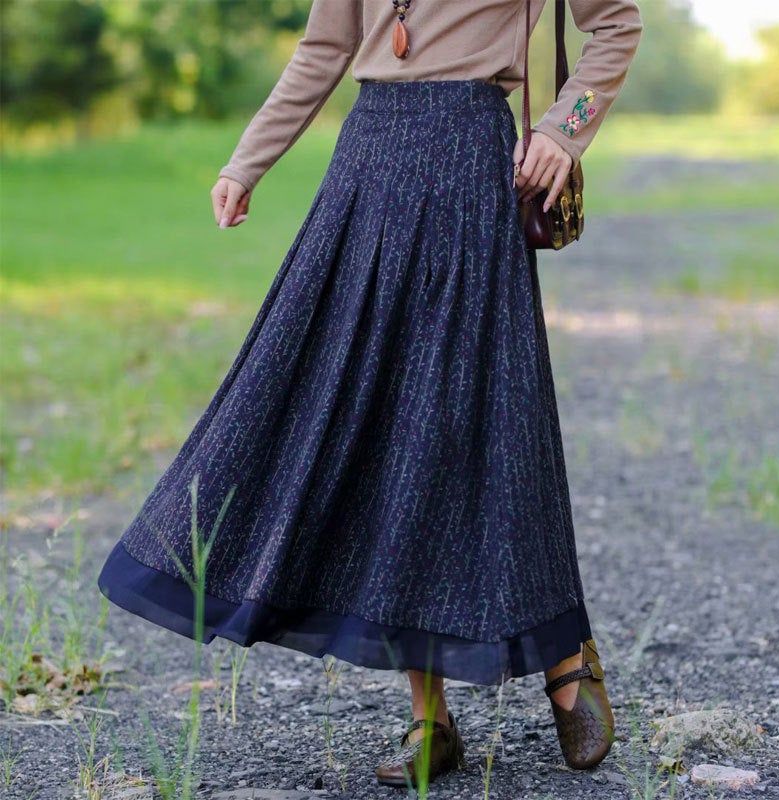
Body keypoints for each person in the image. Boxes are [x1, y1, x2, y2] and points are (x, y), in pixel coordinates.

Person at [98, 0, 643, 788]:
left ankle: (563, 652)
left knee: (479, 416)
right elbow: (323, 50)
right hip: (370, 164)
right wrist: (245, 161)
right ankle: (431, 717)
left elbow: (616, 24)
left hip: (468, 163)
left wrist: (564, 126)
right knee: (380, 420)